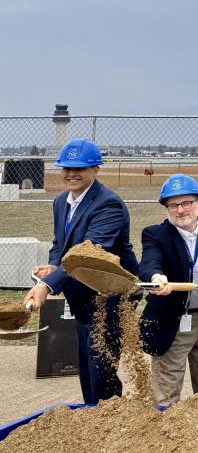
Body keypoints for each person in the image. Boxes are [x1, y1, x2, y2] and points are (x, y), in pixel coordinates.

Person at [23, 139, 139, 404]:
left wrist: (46, 285)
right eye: (66, 167)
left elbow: (87, 255)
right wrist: (54, 266)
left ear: (96, 169)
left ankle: (109, 423)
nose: (71, 173)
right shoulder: (61, 202)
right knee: (87, 365)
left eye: (80, 168)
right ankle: (92, 416)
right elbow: (60, 246)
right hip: (82, 295)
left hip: (111, 298)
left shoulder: (108, 205)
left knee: (101, 368)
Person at [139, 174, 198, 405]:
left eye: (186, 203)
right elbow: (149, 263)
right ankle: (164, 432)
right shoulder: (155, 234)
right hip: (172, 321)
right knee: (166, 389)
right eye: (173, 205)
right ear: (166, 208)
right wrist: (156, 278)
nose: (181, 210)